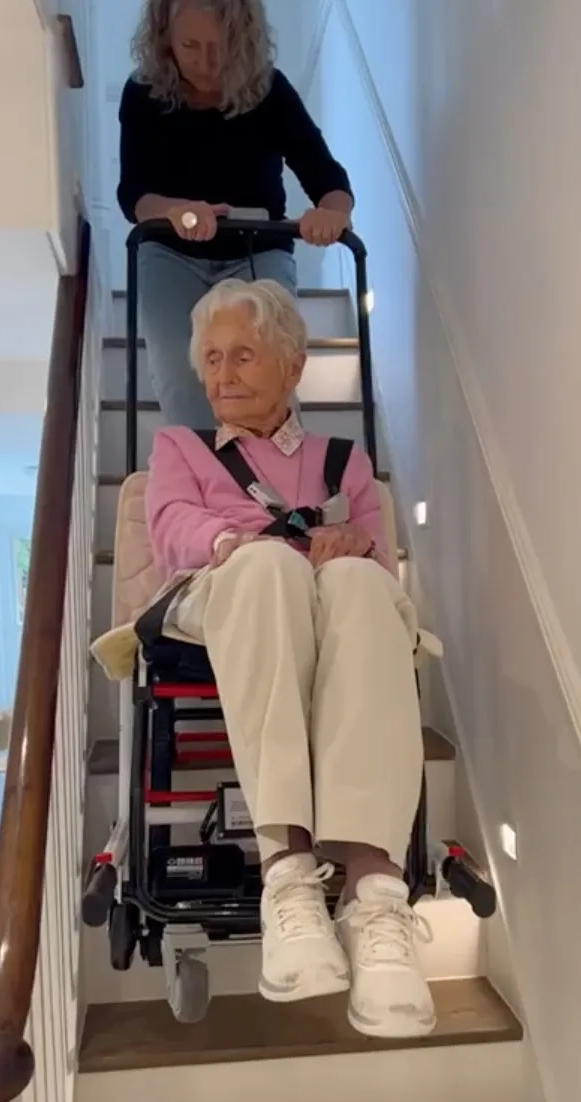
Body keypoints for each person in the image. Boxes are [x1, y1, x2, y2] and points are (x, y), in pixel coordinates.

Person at [92, 278, 435, 1040]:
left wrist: (356, 545)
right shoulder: (179, 448)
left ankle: (375, 892)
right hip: (221, 595)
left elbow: (372, 548)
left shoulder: (344, 462)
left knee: (355, 579)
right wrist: (245, 542)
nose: (221, 374)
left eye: (242, 355)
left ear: (293, 364)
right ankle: (289, 873)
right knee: (269, 566)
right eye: (211, 358)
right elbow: (177, 524)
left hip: (322, 603)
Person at [118, 0, 354, 427]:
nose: (206, 62)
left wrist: (331, 215)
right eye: (191, 45)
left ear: (242, 39)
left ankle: (278, 480)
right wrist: (176, 211)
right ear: (164, 37)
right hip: (171, 254)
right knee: (180, 366)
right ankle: (197, 480)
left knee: (269, 361)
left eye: (220, 46)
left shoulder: (271, 91)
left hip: (257, 250)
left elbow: (330, 181)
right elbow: (133, 195)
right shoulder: (142, 95)